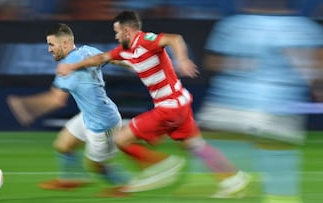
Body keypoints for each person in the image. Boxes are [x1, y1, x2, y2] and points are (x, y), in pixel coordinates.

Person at [56, 10, 250, 197]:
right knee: (195, 146)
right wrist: (72, 66)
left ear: (127, 31)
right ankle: (233, 179)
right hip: (179, 104)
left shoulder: (146, 40)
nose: (115, 36)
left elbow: (174, 38)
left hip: (170, 107)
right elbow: (101, 58)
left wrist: (182, 60)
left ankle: (161, 166)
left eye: (117, 32)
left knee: (121, 139)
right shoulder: (124, 51)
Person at [195, 1, 323, 202]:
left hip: (229, 109)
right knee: (280, 188)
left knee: (214, 184)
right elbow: (317, 70)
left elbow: (212, 62)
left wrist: (243, 63)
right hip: (278, 112)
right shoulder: (305, 28)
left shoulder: (232, 25)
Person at [8, 23, 129, 195]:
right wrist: (134, 65)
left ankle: (124, 186)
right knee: (63, 144)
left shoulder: (68, 65)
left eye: (51, 44)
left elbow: (56, 100)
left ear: (65, 43)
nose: (49, 49)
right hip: (90, 115)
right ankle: (70, 179)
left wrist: (26, 105)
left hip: (103, 123)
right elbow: (112, 57)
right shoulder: (87, 50)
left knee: (96, 165)